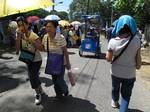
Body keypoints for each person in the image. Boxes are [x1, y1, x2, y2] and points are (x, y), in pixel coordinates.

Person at [106, 15, 141, 112]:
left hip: (116, 72)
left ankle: (115, 101)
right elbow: (138, 57)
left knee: (115, 88)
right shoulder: (137, 40)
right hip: (130, 73)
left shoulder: (112, 42)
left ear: (118, 26)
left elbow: (108, 59)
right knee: (126, 96)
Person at [15, 16, 44, 105]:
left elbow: (42, 48)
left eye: (22, 25)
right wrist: (19, 37)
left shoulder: (33, 35)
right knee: (34, 76)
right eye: (19, 25)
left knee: (32, 77)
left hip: (36, 60)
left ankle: (38, 94)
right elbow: (17, 51)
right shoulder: (19, 34)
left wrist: (32, 41)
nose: (21, 28)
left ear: (27, 25)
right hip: (28, 59)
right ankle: (40, 89)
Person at [42, 20, 71, 99]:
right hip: (51, 61)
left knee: (59, 79)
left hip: (61, 62)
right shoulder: (45, 37)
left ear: (55, 28)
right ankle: (58, 95)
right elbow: (43, 48)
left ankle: (65, 90)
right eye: (47, 27)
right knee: (54, 80)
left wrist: (68, 63)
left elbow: (65, 51)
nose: (48, 28)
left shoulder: (60, 37)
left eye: (50, 27)